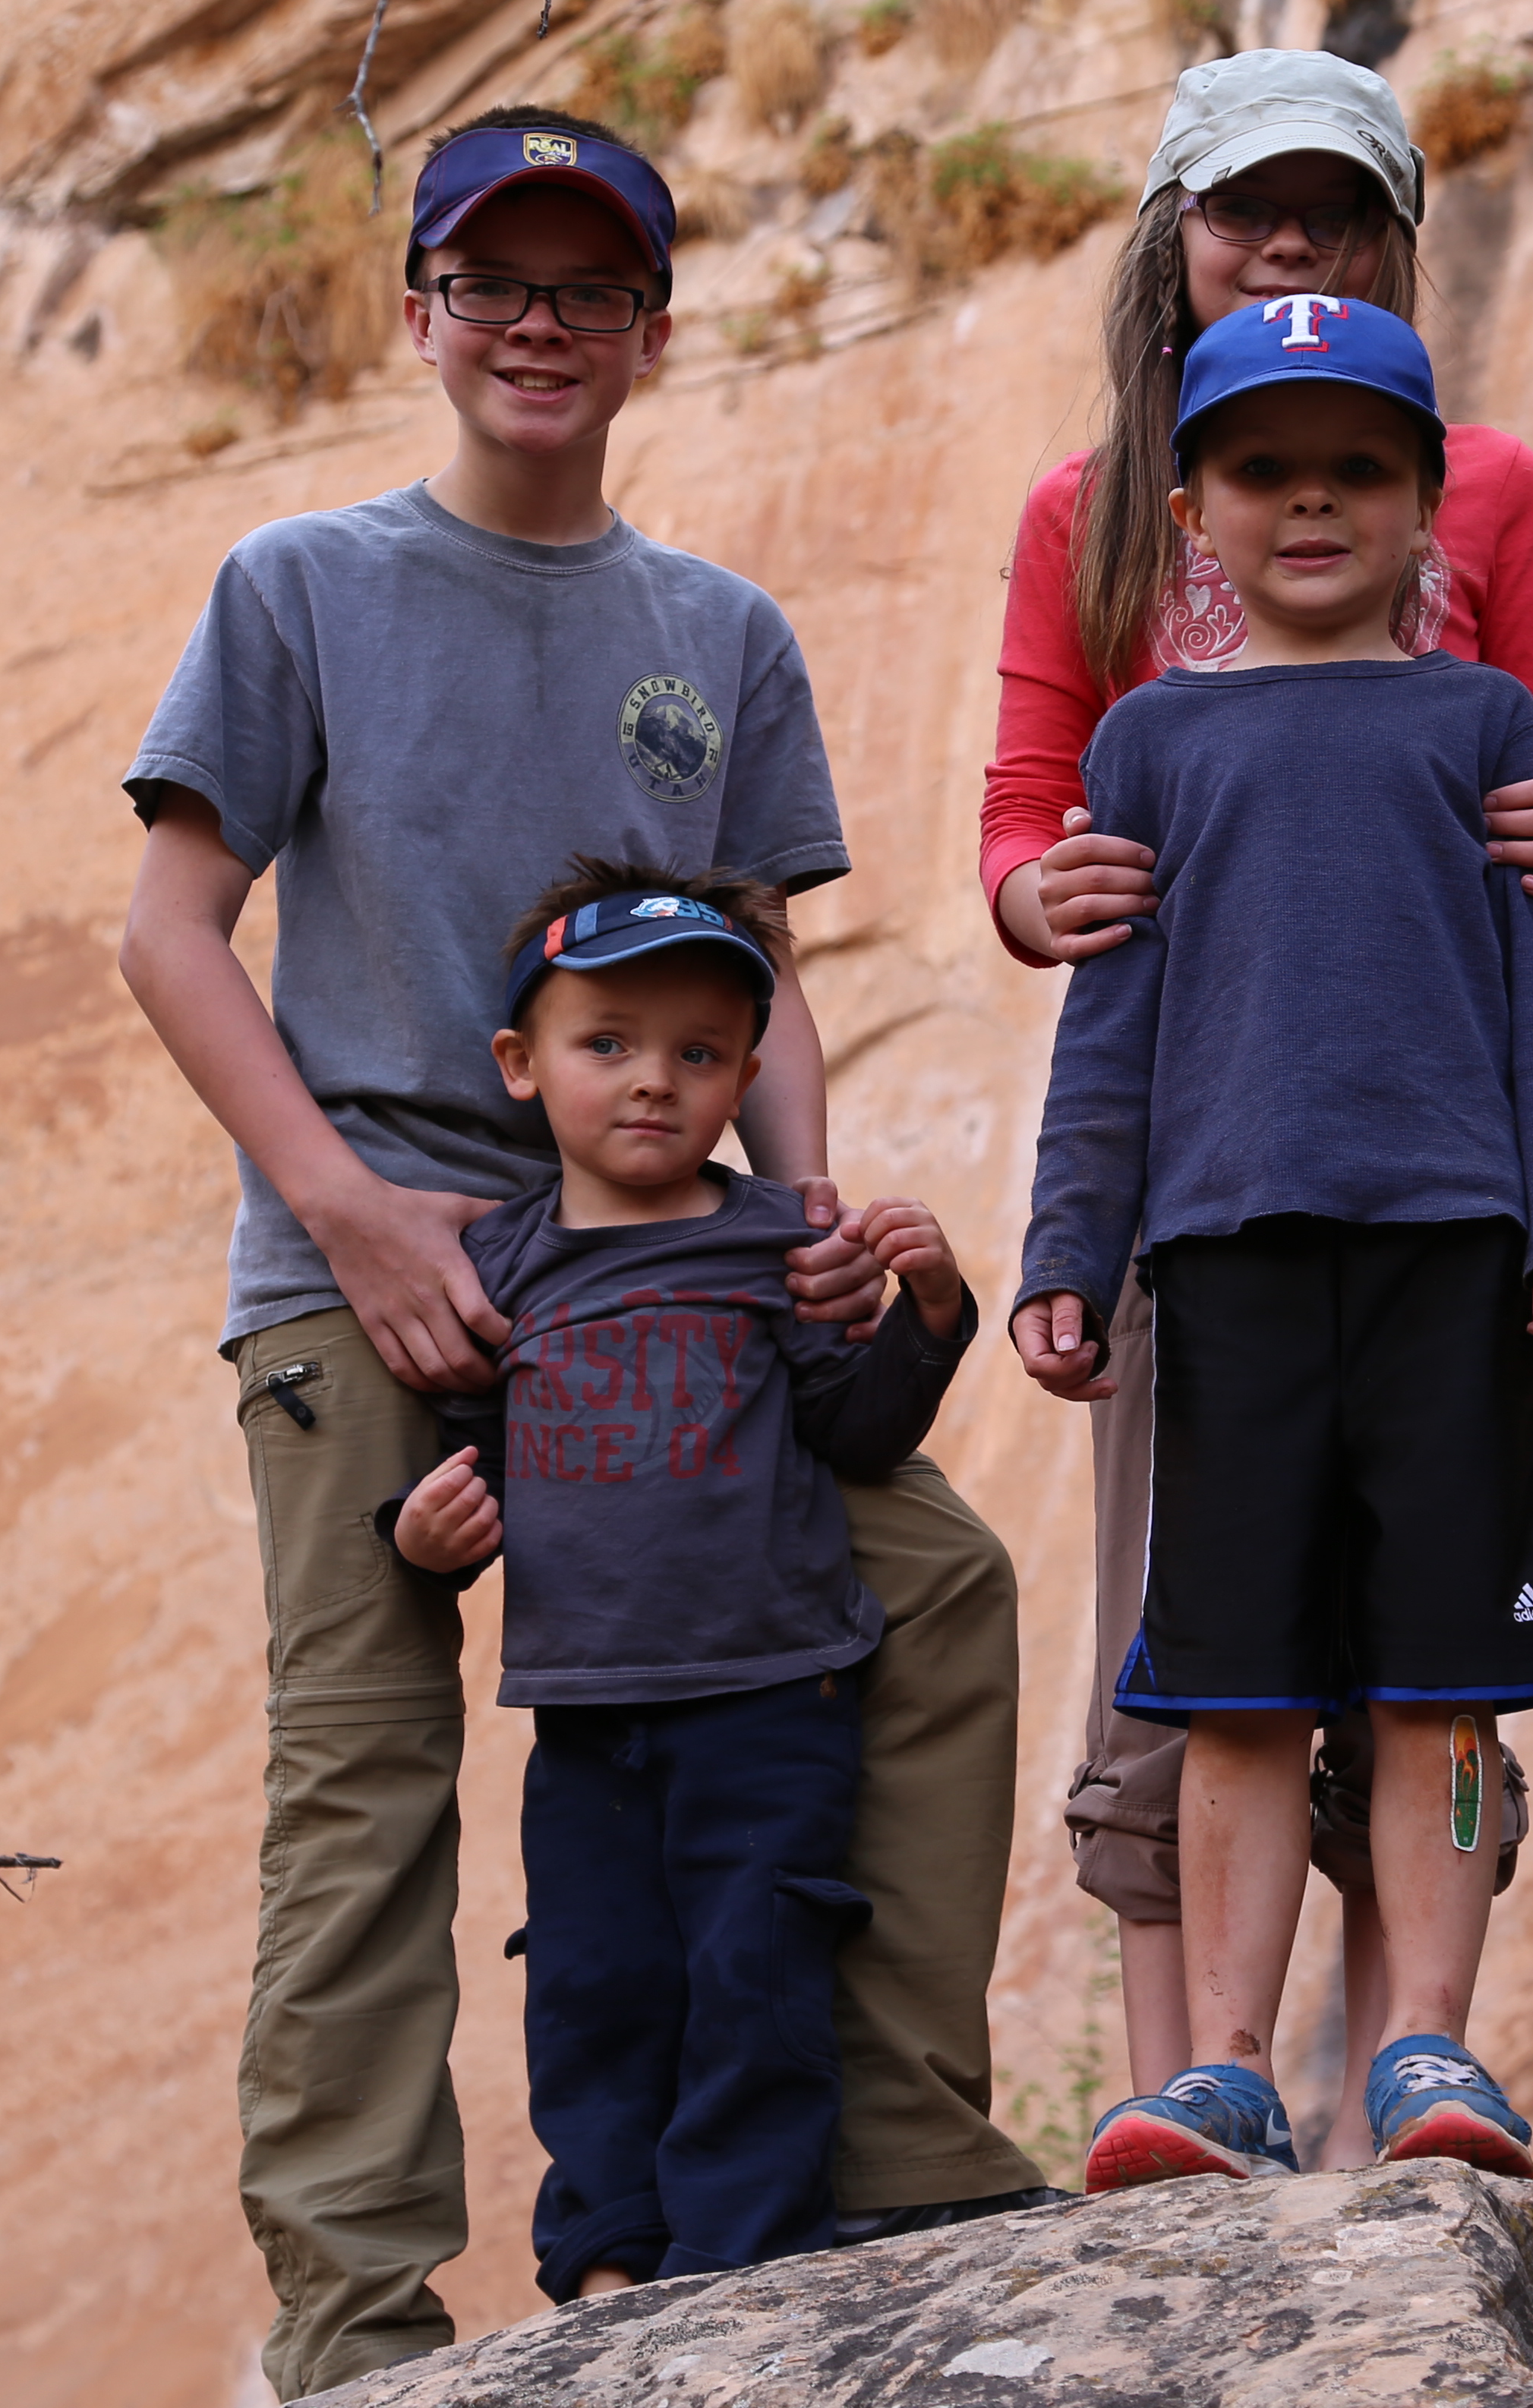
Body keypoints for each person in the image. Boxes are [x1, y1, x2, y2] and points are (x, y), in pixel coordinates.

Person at [118, 108, 1045, 2401]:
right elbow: (169, 931)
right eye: (495, 281)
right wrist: (340, 1204)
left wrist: (804, 1213)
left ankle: (899, 2142)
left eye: (590, 288)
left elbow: (764, 976)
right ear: (420, 309)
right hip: (377, 1258)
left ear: (652, 327)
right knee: (366, 1751)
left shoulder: (711, 633)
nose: (541, 324)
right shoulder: (300, 587)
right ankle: (353, 2312)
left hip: (670, 1259)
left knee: (926, 1585)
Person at [979, 49, 1533, 2152]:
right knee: (1221, 1661)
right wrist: (1071, 1242)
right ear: (1199, 503)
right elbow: (1076, 938)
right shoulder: (1138, 675)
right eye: (1249, 206)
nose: (1314, 501)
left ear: (1424, 497)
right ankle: (1216, 2072)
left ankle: (1415, 2055)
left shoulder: (1479, 662)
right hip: (1224, 1226)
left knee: (1434, 1663)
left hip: (1439, 1231)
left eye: (1333, 211)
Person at [378, 869, 979, 2294]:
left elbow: (858, 1431)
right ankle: (606, 2258)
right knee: (593, 1985)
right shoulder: (500, 1266)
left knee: (757, 1978)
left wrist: (933, 1316)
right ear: (521, 1067)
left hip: (773, 1692)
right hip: (587, 1714)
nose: (655, 1082)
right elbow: (467, 1453)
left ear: (747, 1076)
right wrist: (411, 1538)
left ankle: (735, 2265)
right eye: (610, 1044)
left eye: (699, 1053)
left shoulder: (778, 1244)